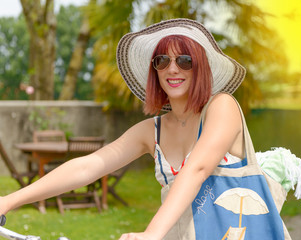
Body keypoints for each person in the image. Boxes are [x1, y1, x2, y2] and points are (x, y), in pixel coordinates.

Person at [0, 18, 265, 240]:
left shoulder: (222, 107)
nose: (173, 69)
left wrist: (150, 234)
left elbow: (197, 170)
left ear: (201, 68)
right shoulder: (152, 131)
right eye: (162, 61)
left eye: (185, 60)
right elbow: (88, 166)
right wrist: (9, 201)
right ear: (155, 70)